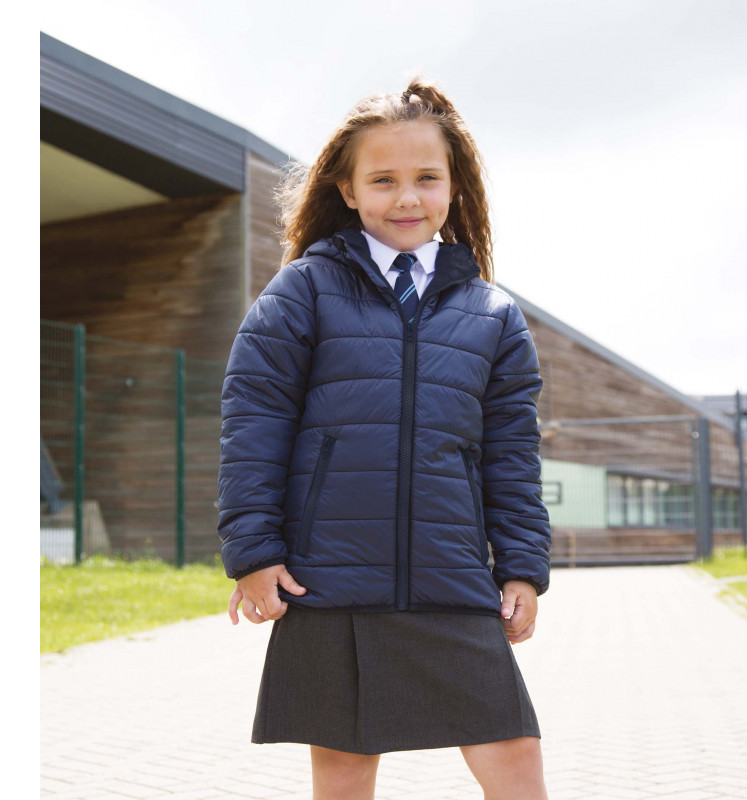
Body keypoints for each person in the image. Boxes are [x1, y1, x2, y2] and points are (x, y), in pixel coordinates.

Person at [218, 79, 551, 800]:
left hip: (451, 579)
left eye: (427, 178)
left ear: (454, 186)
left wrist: (522, 567)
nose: (407, 198)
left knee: (514, 752)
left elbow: (512, 456)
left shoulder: (493, 314)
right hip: (329, 578)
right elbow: (254, 421)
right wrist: (254, 552)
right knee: (343, 768)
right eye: (383, 180)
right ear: (347, 189)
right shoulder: (303, 291)